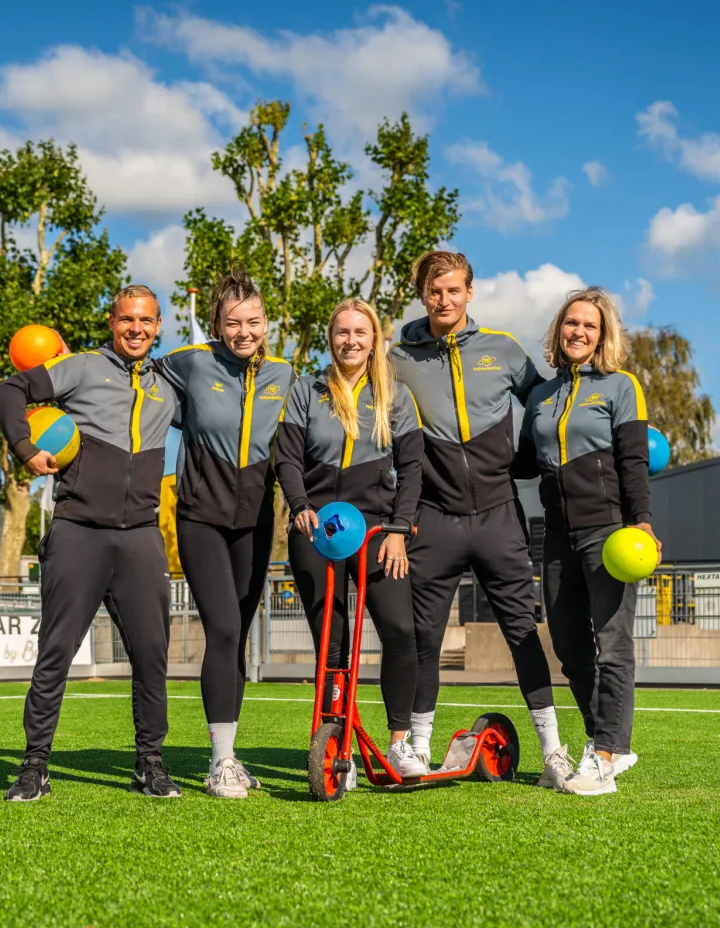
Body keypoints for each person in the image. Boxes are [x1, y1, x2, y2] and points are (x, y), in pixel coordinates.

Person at [388, 250, 571, 785]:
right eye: (434, 291)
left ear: (470, 292)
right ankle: (417, 747)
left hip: (498, 517)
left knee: (521, 633)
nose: (444, 300)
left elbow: (546, 408)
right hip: (433, 520)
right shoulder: (398, 358)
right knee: (424, 637)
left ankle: (553, 752)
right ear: (423, 294)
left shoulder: (503, 351)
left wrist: (532, 461)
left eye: (453, 290)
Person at [0, 284, 181, 801]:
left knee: (151, 656)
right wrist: (25, 448)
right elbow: (10, 390)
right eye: (127, 320)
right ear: (112, 322)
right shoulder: (80, 368)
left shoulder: (170, 384)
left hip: (141, 537)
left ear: (158, 325)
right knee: (55, 653)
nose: (136, 329)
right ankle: (34, 767)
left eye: (145, 321)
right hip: (78, 532)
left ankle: (150, 764)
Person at [514, 287, 661, 795]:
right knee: (571, 647)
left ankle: (603, 755)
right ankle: (612, 746)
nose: (578, 331)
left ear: (603, 336)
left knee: (613, 645)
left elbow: (634, 461)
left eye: (589, 326)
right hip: (556, 533)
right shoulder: (541, 395)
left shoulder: (621, 387)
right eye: (570, 323)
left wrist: (640, 522)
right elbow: (524, 461)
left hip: (610, 531)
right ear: (559, 330)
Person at [155, 266, 293, 799]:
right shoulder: (188, 364)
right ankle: (222, 762)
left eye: (253, 322)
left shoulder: (285, 375)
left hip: (256, 524)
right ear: (216, 322)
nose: (244, 332)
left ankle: (229, 754)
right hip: (200, 520)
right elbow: (135, 378)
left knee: (236, 638)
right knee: (226, 631)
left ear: (266, 322)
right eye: (233, 323)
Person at [275, 298, 426, 778]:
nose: (351, 341)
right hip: (319, 530)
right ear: (331, 337)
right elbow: (287, 460)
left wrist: (400, 529)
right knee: (332, 643)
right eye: (343, 332)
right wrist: (301, 508)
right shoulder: (306, 389)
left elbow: (414, 468)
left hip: (379, 532)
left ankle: (400, 741)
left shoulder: (396, 396)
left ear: (374, 339)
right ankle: (335, 741)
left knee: (401, 630)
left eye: (361, 333)